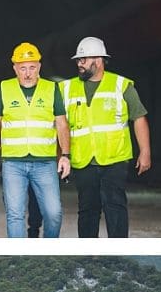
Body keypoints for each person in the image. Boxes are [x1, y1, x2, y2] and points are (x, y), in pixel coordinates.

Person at [60, 36, 151, 237]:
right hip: (83, 159)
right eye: (78, 61)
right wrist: (61, 155)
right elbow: (58, 124)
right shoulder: (65, 88)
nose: (79, 64)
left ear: (98, 60)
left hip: (114, 158)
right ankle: (87, 256)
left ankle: (117, 255)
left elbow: (139, 118)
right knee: (87, 209)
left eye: (83, 60)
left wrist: (145, 151)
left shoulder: (121, 85)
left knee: (115, 205)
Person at [0, 42, 71, 237]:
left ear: (39, 66)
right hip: (13, 163)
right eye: (22, 68)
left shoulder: (51, 89)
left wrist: (65, 155)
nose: (27, 73)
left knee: (54, 213)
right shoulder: (4, 88)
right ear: (14, 68)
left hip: (45, 163)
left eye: (32, 67)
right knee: (14, 215)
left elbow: (62, 124)